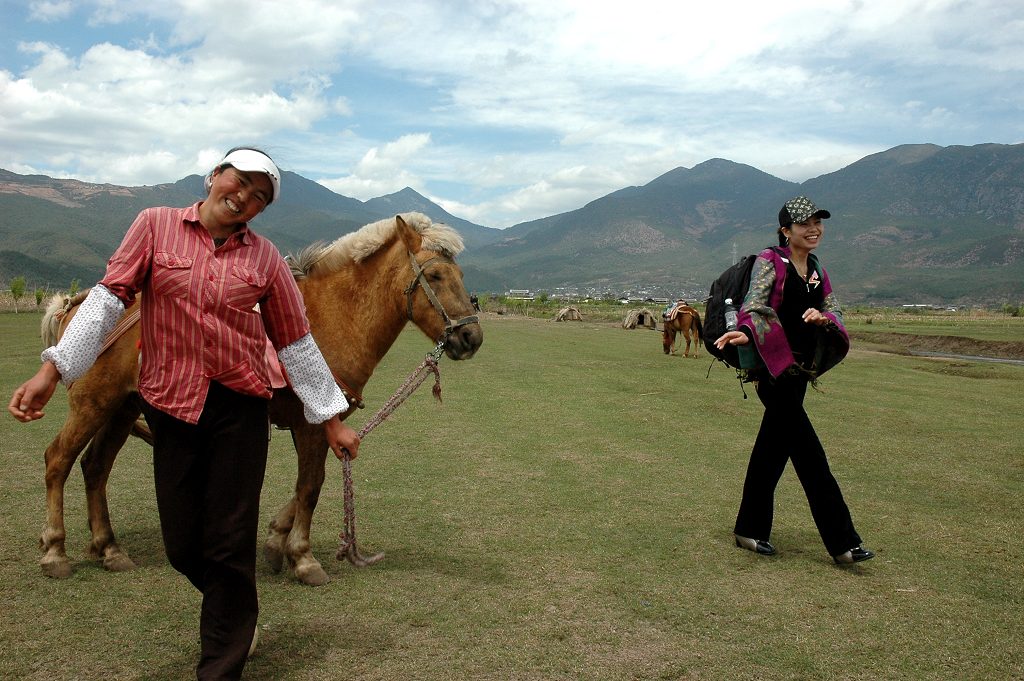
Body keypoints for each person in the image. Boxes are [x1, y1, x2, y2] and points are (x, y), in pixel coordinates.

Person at [8, 147, 361, 679]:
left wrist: (331, 419)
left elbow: (295, 342)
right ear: (216, 176)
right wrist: (53, 370)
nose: (245, 196)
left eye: (260, 197)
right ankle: (237, 608)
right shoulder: (153, 226)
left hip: (240, 411)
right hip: (173, 405)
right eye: (240, 181)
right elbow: (107, 299)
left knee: (231, 539)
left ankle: (221, 663)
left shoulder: (265, 260)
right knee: (181, 543)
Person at [713, 196, 874, 566]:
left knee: (771, 451)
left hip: (800, 372)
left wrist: (824, 318)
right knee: (810, 455)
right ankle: (842, 542)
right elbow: (755, 305)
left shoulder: (815, 268)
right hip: (774, 371)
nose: (813, 229)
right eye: (804, 224)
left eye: (818, 222)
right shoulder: (771, 262)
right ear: (786, 230)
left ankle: (748, 528)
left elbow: (834, 308)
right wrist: (746, 333)